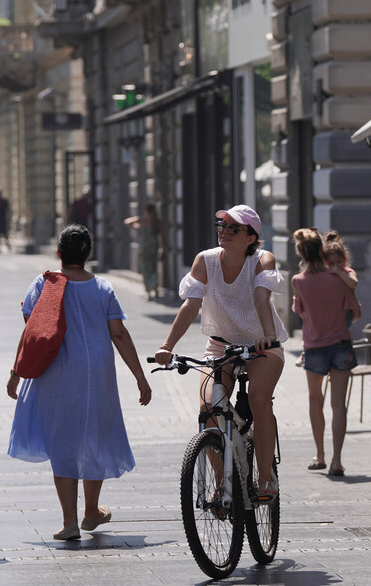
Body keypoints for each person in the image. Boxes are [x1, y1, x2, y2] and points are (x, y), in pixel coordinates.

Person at [7, 225, 153, 540]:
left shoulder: (44, 284)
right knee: (94, 434)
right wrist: (140, 377)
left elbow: (31, 331)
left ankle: (69, 521)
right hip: (97, 370)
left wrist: (15, 373)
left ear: (59, 253)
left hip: (57, 369)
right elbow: (119, 334)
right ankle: (92, 509)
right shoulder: (103, 288)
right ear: (88, 253)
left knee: (62, 439)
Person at [153, 204, 287, 499]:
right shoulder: (205, 261)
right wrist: (167, 346)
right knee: (208, 410)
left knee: (259, 399)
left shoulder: (263, 260)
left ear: (250, 237)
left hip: (262, 345)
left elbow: (262, 298)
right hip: (220, 344)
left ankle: (266, 480)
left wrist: (267, 336)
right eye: (222, 226)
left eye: (233, 228)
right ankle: (221, 484)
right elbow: (190, 305)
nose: (224, 232)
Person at [292, 228, 358, 477]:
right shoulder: (339, 276)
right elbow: (352, 303)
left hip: (314, 346)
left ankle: (319, 455)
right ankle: (337, 461)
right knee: (339, 405)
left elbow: (301, 312)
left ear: (300, 252)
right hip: (341, 343)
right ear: (322, 250)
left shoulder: (298, 281)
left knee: (314, 400)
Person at [124, 204, 163, 300]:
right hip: (153, 247)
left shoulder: (142, 220)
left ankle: (148, 292)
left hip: (143, 248)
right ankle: (155, 288)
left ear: (146, 210)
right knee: (153, 267)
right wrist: (162, 248)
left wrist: (137, 220)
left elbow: (127, 222)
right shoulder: (156, 221)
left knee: (145, 269)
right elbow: (162, 237)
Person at [323, 230, 361, 324]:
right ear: (326, 262)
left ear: (345, 259)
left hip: (346, 310)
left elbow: (353, 283)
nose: (335, 266)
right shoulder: (327, 274)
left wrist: (340, 273)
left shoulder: (347, 272)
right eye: (331, 263)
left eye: (339, 262)